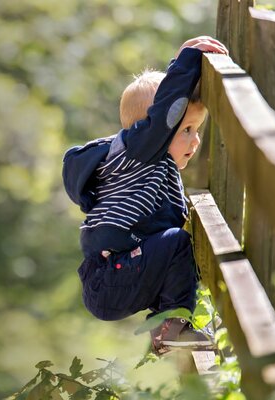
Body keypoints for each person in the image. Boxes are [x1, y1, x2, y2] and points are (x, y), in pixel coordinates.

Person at [62, 36, 228, 355]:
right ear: (156, 130)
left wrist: (180, 65)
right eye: (187, 130)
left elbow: (166, 106)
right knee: (177, 243)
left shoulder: (148, 159)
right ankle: (171, 328)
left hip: (117, 274)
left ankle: (167, 328)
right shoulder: (141, 153)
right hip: (111, 275)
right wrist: (188, 57)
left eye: (198, 129)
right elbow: (166, 110)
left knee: (173, 245)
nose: (195, 142)